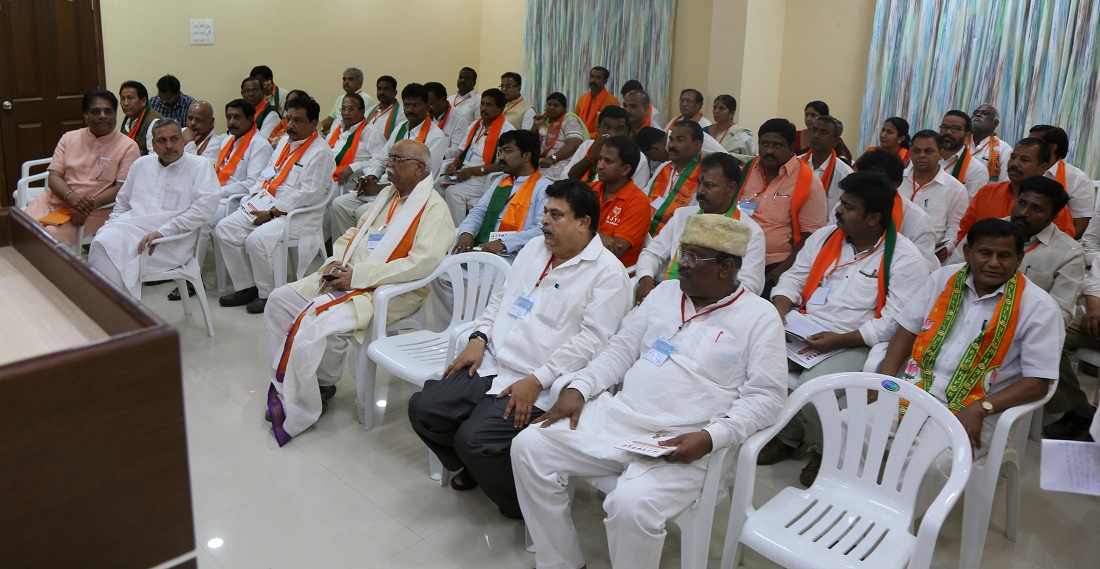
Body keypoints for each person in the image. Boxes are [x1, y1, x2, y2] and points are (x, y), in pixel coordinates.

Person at [512, 214, 787, 569]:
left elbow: (767, 398)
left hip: (685, 441)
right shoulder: (665, 293)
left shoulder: (759, 316)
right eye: (682, 253)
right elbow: (620, 350)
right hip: (620, 418)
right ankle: (561, 562)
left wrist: (710, 436)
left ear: (726, 267)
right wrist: (580, 387)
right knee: (528, 446)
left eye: (692, 257)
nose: (681, 265)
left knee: (630, 505)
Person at [410, 177, 631, 518]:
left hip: (535, 381)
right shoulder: (534, 249)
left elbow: (592, 342)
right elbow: (501, 299)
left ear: (584, 223)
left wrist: (537, 379)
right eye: (545, 212)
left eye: (556, 215)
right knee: (424, 409)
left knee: (474, 439)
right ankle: (480, 466)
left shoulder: (608, 274)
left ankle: (518, 504)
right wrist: (478, 337)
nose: (544, 221)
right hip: (491, 361)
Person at [263, 139, 454, 446]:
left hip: (388, 291)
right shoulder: (388, 196)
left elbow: (420, 264)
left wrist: (359, 277)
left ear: (419, 169)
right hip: (348, 275)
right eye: (389, 159)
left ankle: (316, 390)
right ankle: (291, 385)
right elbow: (354, 233)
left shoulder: (434, 209)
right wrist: (337, 261)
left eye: (396, 160)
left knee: (313, 319)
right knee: (279, 301)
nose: (388, 166)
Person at [765, 172, 930, 485]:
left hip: (857, 343)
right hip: (803, 328)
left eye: (849, 207)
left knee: (811, 388)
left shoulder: (906, 258)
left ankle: (826, 449)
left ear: (873, 218)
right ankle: (787, 436)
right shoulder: (827, 237)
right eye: (840, 203)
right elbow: (794, 278)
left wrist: (842, 339)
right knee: (761, 363)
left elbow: (895, 322)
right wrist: (781, 309)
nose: (838, 210)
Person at [877, 218, 1062, 485]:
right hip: (914, 389)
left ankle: (900, 521)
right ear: (968, 253)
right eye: (985, 253)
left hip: (978, 408)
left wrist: (982, 408)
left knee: (932, 465)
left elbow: (1039, 382)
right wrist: (885, 379)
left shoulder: (1039, 307)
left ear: (1019, 258)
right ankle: (849, 504)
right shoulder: (942, 278)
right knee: (851, 424)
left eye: (1005, 255)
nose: (994, 263)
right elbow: (906, 329)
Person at [215, 96, 333, 314]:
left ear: (313, 123)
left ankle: (267, 294)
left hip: (296, 215)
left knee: (256, 240)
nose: (290, 125)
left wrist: (271, 213)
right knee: (224, 229)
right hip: (267, 204)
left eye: (297, 121)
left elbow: (307, 194)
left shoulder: (321, 153)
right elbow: (268, 172)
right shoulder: (284, 144)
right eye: (288, 119)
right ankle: (246, 286)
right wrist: (255, 194)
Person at [88, 119, 219, 298]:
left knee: (110, 252)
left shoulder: (200, 166)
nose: (169, 145)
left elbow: (204, 208)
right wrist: (112, 224)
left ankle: (117, 312)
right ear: (153, 144)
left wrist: (163, 232)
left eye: (174, 139)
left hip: (170, 242)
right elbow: (123, 202)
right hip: (130, 229)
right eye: (162, 141)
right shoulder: (141, 164)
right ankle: (115, 308)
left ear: (183, 141)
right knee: (102, 241)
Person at [947, 176, 1083, 325]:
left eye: (1036, 209)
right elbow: (950, 276)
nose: (1024, 212)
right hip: (963, 316)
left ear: (1052, 217)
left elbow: (1061, 313)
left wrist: (1012, 327)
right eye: (1022, 203)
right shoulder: (985, 232)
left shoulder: (1069, 253)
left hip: (1022, 331)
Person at [636, 152, 766, 300]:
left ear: (730, 189)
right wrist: (645, 280)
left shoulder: (749, 232)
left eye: (709, 185)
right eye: (699, 183)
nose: (700, 191)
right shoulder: (683, 216)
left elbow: (750, 285)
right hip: (667, 294)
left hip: (715, 306)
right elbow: (652, 254)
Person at [24, 89, 140, 247]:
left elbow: (122, 188)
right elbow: (54, 177)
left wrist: (86, 206)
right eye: (95, 111)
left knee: (50, 238)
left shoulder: (128, 147)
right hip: (55, 199)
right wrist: (71, 197)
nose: (103, 116)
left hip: (96, 209)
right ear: (85, 116)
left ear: (115, 115)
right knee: (22, 228)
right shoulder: (69, 138)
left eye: (108, 111)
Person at [330, 84, 447, 235]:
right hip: (383, 185)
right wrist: (371, 177)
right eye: (407, 105)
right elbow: (381, 157)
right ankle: (349, 250)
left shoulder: (435, 136)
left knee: (363, 212)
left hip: (408, 194)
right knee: (339, 204)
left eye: (416, 105)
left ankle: (370, 252)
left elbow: (424, 177)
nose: (410, 110)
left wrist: (381, 188)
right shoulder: (401, 128)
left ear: (427, 107)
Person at [189, 99, 275, 300]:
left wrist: (218, 191)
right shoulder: (227, 140)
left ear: (250, 119)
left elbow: (252, 183)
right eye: (229, 117)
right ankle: (179, 268)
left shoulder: (259, 145)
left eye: (237, 117)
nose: (232, 122)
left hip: (237, 200)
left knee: (201, 222)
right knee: (186, 213)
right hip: (218, 195)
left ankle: (192, 278)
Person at [738, 118, 827, 295]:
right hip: (737, 256)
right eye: (764, 144)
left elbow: (811, 237)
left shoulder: (809, 183)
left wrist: (781, 271)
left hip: (775, 265)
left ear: (791, 147)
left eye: (777, 146)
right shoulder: (746, 170)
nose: (769, 151)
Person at [451, 130, 552, 260]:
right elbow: (479, 211)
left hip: (517, 253)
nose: (501, 157)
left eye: (508, 151)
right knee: (442, 269)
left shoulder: (544, 188)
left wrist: (504, 243)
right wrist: (466, 232)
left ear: (527, 156)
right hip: (485, 246)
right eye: (501, 151)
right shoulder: (502, 181)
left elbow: (542, 228)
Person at [956, 137, 1075, 242]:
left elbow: (1061, 246)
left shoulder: (1053, 205)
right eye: (1012, 157)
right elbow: (965, 230)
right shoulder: (987, 191)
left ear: (1042, 168)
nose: (1014, 163)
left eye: (1024, 160)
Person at [850, 149, 939, 272]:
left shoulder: (918, 220)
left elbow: (924, 269)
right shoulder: (846, 207)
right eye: (865, 176)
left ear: (895, 184)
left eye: (877, 179)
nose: (869, 184)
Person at [1044, 257, 1100, 441]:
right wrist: (1094, 310)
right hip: (1095, 315)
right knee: (1047, 337)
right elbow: (1093, 281)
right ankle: (1077, 407)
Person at [440, 89, 515, 224]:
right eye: (482, 104)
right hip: (464, 172)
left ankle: (459, 232)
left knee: (453, 193)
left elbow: (505, 164)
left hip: (485, 177)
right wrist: (454, 165)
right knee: (436, 187)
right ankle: (442, 227)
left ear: (500, 108)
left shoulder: (508, 131)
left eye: (489, 105)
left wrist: (473, 171)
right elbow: (462, 151)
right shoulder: (475, 125)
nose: (484, 108)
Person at [589, 135, 652, 267]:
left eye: (608, 161)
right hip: (580, 261)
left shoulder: (638, 203)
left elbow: (614, 251)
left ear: (625, 169)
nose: (600, 166)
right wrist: (596, 234)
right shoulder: (589, 190)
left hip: (611, 272)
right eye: (600, 159)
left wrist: (579, 229)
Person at [1030, 124, 1093, 238]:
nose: (1027, 146)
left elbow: (1080, 226)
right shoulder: (1022, 170)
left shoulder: (1078, 179)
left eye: (1033, 143)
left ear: (1052, 147)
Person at [565, 106, 650, 187]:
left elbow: (635, 193)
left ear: (626, 132)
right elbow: (567, 178)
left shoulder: (639, 158)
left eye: (619, 129)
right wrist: (589, 158)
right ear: (598, 128)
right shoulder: (587, 145)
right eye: (606, 127)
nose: (612, 134)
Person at [646, 120, 705, 236]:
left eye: (680, 140)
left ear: (697, 145)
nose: (672, 145)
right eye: (671, 139)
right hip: (647, 233)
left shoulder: (703, 175)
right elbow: (645, 197)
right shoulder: (663, 168)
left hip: (678, 237)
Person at [325, 92, 387, 198]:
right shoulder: (337, 129)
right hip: (326, 176)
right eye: (343, 109)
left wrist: (353, 167)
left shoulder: (372, 133)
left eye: (351, 109)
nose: (346, 113)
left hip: (348, 180)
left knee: (318, 198)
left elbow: (380, 161)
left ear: (362, 112)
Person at [800, 115, 853, 218]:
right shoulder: (795, 164)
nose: (816, 135)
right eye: (814, 130)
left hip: (825, 229)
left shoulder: (845, 174)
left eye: (823, 132)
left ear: (835, 141)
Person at [531, 92, 587, 180]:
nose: (551, 107)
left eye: (556, 105)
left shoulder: (569, 120)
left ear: (564, 108)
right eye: (549, 104)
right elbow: (529, 142)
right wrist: (535, 125)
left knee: (543, 181)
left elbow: (573, 145)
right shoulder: (543, 120)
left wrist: (552, 158)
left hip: (561, 161)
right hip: (541, 161)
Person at [938, 109, 988, 198]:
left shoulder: (977, 171)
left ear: (967, 135)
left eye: (955, 129)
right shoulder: (926, 158)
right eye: (944, 127)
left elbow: (970, 207)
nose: (948, 132)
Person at [321, 67, 375, 137]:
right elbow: (330, 119)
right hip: (335, 133)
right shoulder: (340, 98)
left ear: (360, 82)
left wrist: (333, 131)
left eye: (350, 79)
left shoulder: (366, 98)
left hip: (353, 135)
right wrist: (317, 129)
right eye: (344, 79)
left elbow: (362, 123)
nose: (346, 82)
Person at [705, 94, 756, 164]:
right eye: (714, 107)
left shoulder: (742, 134)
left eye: (721, 108)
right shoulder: (704, 132)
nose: (716, 111)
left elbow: (751, 160)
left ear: (731, 113)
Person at [968, 104, 1012, 184]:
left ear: (995, 123)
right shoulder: (959, 141)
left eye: (985, 113)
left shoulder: (1004, 149)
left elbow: (1003, 183)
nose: (977, 115)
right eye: (975, 113)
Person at [119, 80, 164, 155]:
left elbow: (154, 157)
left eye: (130, 98)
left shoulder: (154, 122)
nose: (125, 103)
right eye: (122, 99)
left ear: (143, 101)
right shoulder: (128, 118)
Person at [574, 66, 620, 137]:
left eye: (598, 78)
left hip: (600, 142)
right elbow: (575, 121)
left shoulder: (612, 102)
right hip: (580, 139)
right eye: (592, 76)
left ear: (605, 81)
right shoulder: (582, 98)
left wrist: (585, 137)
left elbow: (611, 130)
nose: (593, 80)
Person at [425, 81, 470, 153]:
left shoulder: (459, 119)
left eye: (431, 104)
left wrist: (432, 154)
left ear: (443, 100)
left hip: (445, 160)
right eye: (426, 104)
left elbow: (457, 150)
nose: (428, 108)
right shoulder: (425, 116)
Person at [363, 75, 404, 140]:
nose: (382, 92)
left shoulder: (401, 113)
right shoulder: (371, 110)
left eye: (386, 89)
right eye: (379, 89)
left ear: (395, 93)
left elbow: (399, 137)